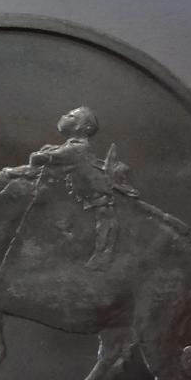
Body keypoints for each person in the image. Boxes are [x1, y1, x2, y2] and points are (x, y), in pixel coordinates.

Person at [28, 106, 131, 269]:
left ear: (84, 128)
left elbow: (43, 159)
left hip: (97, 193)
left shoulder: (78, 148)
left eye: (71, 116)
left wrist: (42, 155)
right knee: (102, 220)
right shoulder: (72, 145)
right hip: (85, 192)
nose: (64, 116)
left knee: (104, 220)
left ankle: (103, 257)